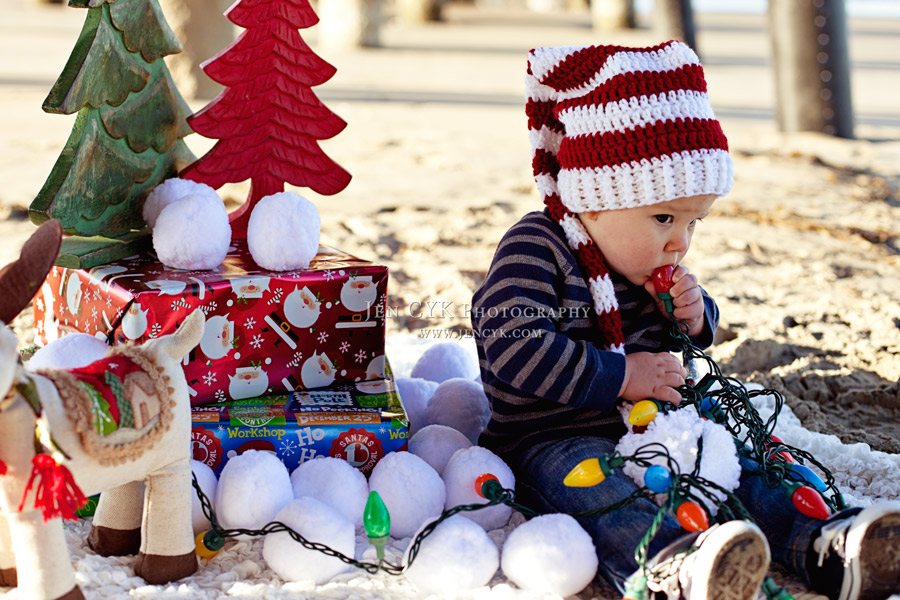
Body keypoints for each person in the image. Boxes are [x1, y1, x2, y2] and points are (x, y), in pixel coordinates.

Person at [471, 41, 900, 600]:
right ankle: (671, 565)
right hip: (554, 438)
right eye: (666, 217)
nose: (681, 240)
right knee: (600, 489)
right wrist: (621, 376)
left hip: (657, 425)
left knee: (741, 465)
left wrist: (695, 317)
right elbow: (512, 346)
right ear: (593, 199)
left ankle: (822, 545)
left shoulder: (647, 257)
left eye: (695, 222)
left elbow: (677, 343)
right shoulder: (538, 247)